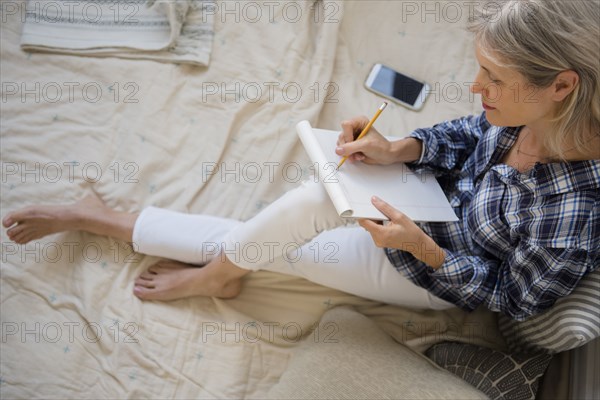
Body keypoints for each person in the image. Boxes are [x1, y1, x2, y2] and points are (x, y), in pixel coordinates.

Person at [3, 0, 599, 320]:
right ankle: (197, 261)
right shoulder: (525, 115)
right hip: (426, 199)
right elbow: (471, 133)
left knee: (292, 226)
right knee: (303, 209)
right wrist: (402, 148)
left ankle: (177, 255)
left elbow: (512, 299)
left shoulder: (575, 214)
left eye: (492, 77)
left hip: (436, 270)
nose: (475, 86)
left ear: (562, 86)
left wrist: (425, 250)